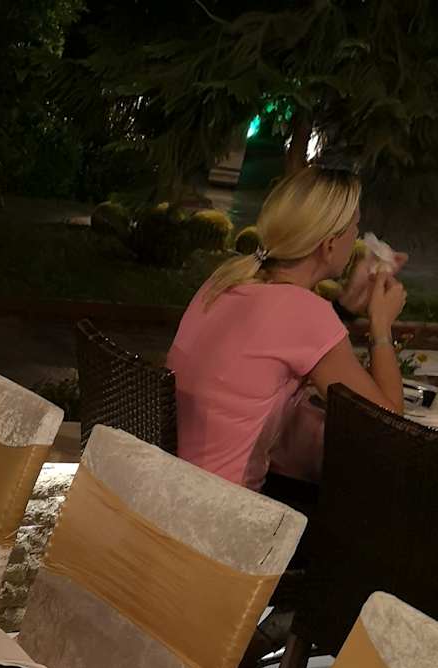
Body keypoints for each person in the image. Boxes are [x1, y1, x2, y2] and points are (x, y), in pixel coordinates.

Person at [167, 165, 406, 498]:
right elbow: (389, 428)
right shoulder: (306, 313)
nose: (357, 238)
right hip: (223, 509)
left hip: (171, 486)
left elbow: (279, 339)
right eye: (355, 227)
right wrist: (381, 324)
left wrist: (346, 308)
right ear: (329, 244)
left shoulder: (225, 281)